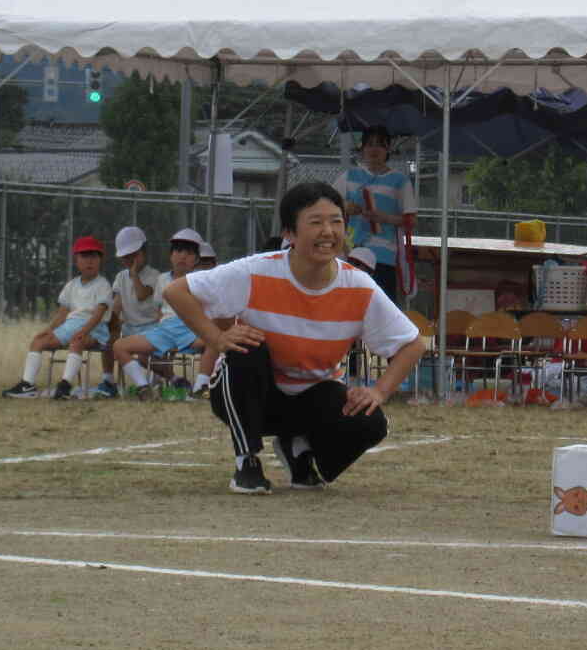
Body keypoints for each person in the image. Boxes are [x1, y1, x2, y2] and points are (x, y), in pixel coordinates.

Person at [164, 180, 424, 494]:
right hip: (249, 394)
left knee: (371, 422)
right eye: (315, 222)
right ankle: (246, 461)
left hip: (311, 397)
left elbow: (413, 344)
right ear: (289, 233)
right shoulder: (255, 272)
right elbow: (176, 291)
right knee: (248, 346)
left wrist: (379, 392)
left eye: (336, 221)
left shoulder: (360, 286)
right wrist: (217, 339)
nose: (328, 232)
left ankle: (301, 453)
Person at [2, 235, 113, 399]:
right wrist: (48, 330)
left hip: (93, 329)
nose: (89, 260)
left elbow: (98, 314)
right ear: (76, 260)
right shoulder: (72, 285)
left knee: (77, 341)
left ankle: (65, 386)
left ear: (100, 260)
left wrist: (84, 330)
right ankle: (27, 385)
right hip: (69, 326)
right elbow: (62, 313)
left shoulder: (103, 284)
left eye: (94, 256)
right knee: (38, 341)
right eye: (84, 256)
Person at [109, 226, 207, 398]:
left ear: (197, 259)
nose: (182, 256)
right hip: (164, 330)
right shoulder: (163, 279)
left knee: (215, 342)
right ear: (170, 256)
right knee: (118, 346)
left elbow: (205, 313)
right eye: (177, 251)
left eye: (189, 252)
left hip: (190, 329)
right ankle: (144, 387)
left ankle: (200, 389)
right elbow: (160, 311)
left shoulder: (202, 280)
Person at [335, 127, 416, 302]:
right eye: (369, 144)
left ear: (388, 149)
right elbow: (327, 203)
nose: (374, 149)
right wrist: (345, 206)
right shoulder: (349, 176)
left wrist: (385, 218)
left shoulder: (400, 181)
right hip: (351, 252)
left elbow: (410, 220)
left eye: (380, 145)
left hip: (384, 255)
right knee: (348, 305)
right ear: (362, 148)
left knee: (380, 305)